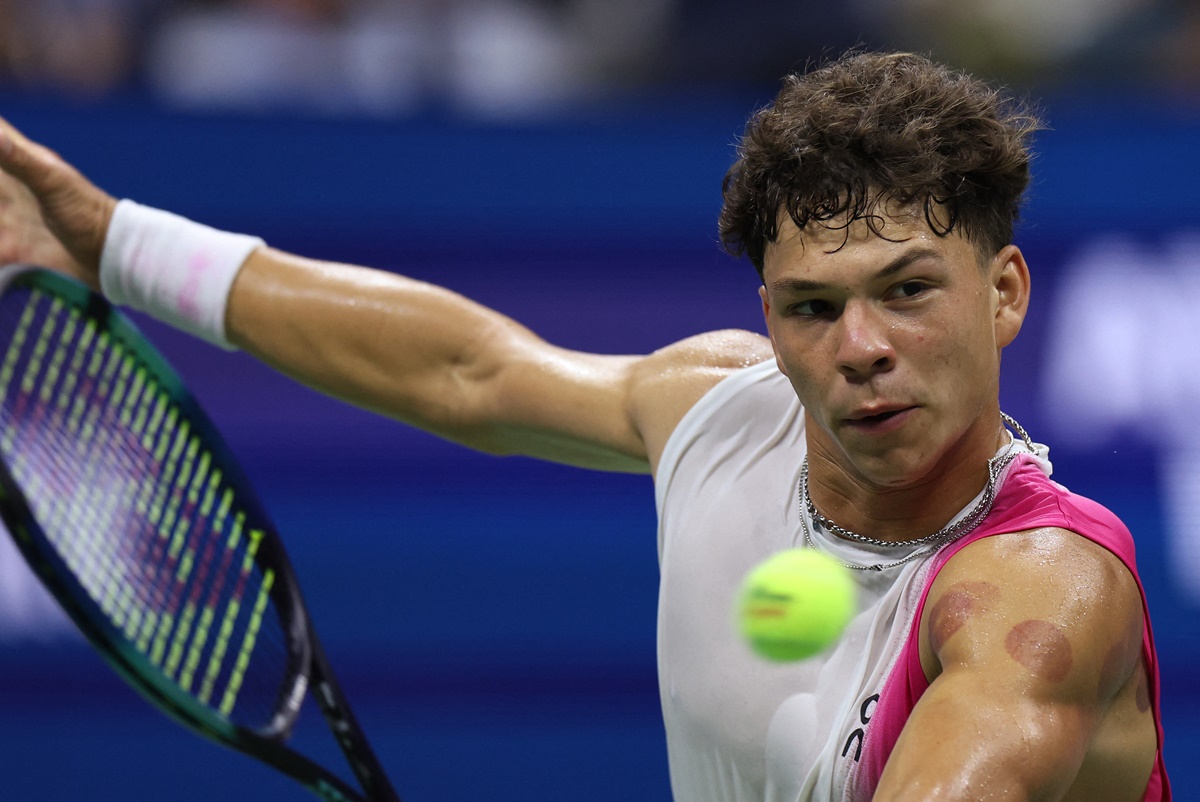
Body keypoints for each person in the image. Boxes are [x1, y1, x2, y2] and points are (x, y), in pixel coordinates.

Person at [0, 50, 1170, 800]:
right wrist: (117, 247)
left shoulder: (1042, 592)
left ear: (1005, 291)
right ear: (767, 314)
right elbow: (467, 368)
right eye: (815, 307)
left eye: (909, 289)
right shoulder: (720, 414)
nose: (860, 345)